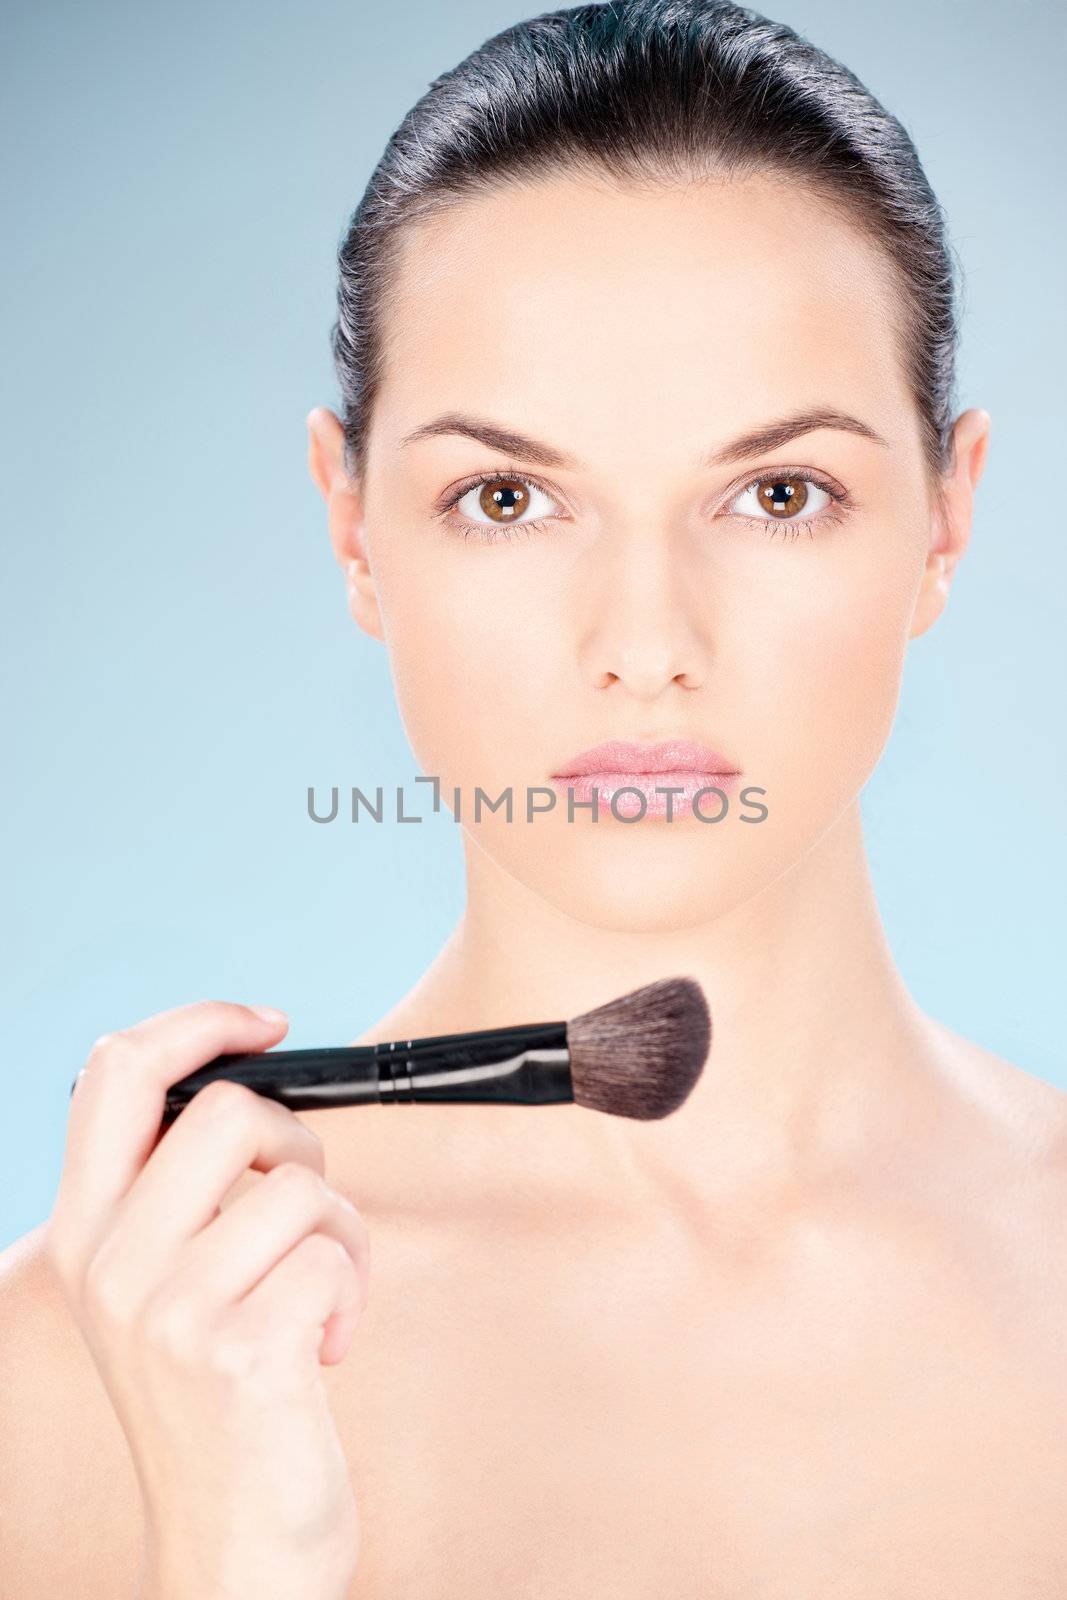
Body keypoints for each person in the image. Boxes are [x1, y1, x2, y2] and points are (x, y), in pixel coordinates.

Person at [3, 1, 1065, 1595]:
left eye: (779, 494)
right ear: (354, 527)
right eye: (507, 498)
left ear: (946, 517)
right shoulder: (82, 1377)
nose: (643, 646)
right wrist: (228, 1554)